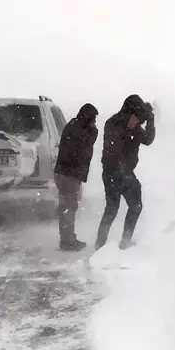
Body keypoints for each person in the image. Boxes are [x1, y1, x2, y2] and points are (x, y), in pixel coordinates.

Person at [94, 94, 156, 250]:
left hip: (126, 173)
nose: (137, 118)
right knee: (112, 209)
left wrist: (150, 121)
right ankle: (100, 244)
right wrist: (128, 130)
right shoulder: (112, 123)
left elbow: (148, 140)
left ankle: (125, 241)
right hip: (112, 172)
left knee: (135, 206)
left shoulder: (135, 126)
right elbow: (114, 150)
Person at [53, 102, 99, 251]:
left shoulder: (74, 125)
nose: (94, 122)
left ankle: (67, 238)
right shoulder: (79, 130)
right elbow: (86, 145)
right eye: (93, 119)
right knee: (69, 206)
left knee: (67, 206)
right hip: (69, 174)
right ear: (87, 118)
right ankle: (68, 241)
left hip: (64, 173)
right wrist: (93, 131)